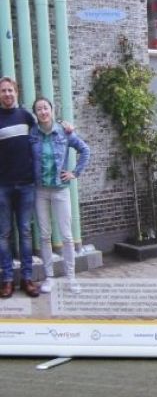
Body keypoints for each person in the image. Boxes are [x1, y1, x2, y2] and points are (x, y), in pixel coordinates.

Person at [30, 97, 88, 287]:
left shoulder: (64, 132)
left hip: (60, 191)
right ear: (36, 114)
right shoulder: (32, 134)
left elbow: (85, 149)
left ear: (52, 110)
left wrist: (75, 173)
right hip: (40, 191)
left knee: (66, 235)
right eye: (39, 109)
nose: (43, 112)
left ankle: (71, 278)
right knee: (45, 236)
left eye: (46, 108)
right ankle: (49, 278)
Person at [0, 78, 38, 299]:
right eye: (3, 91)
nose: (7, 94)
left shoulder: (26, 116)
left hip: (25, 185)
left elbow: (44, 132)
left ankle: (27, 278)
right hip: (2, 186)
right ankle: (6, 280)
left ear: (16, 92)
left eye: (10, 90)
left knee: (24, 232)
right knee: (3, 234)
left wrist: (67, 128)